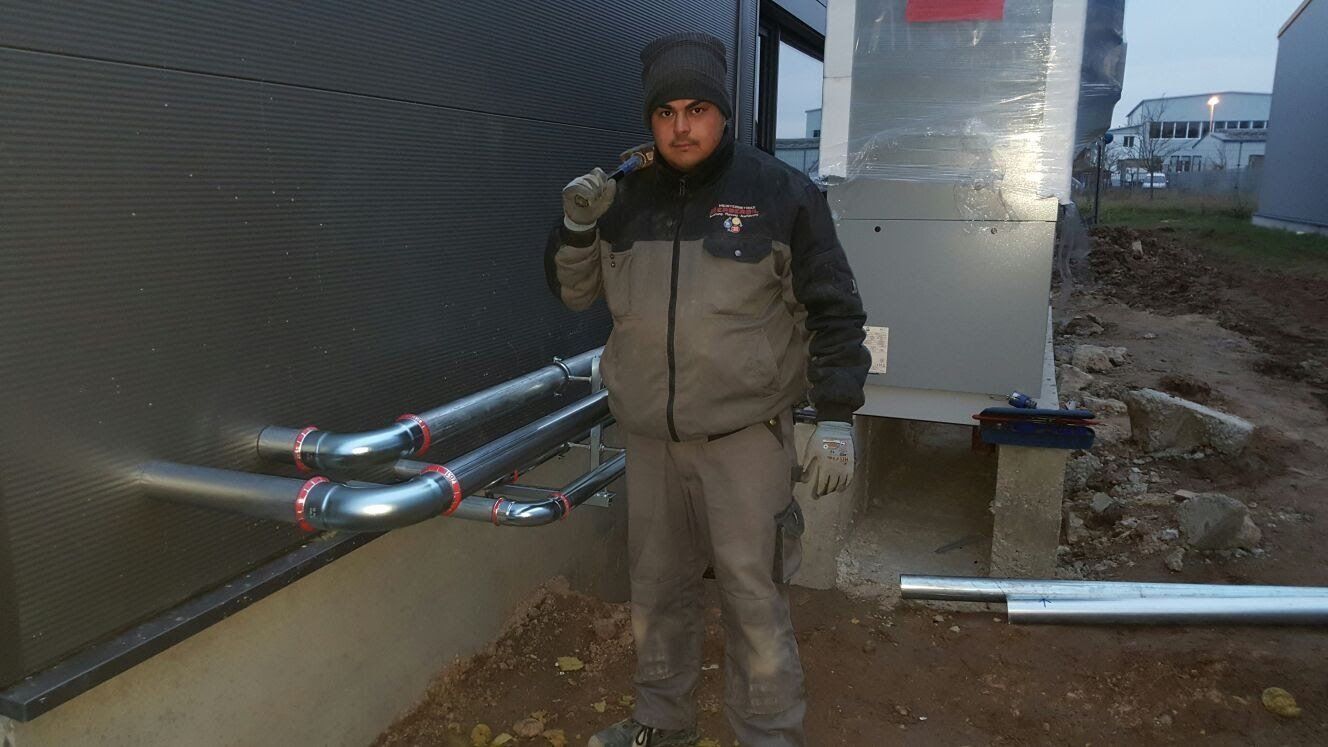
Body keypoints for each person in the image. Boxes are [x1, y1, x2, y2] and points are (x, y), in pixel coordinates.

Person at [546, 31, 869, 747]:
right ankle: (664, 724)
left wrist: (836, 416)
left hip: (743, 441)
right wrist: (576, 226)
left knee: (753, 596)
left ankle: (768, 735)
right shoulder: (622, 197)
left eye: (697, 110)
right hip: (650, 441)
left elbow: (834, 309)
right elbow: (574, 294)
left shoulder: (778, 193)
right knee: (657, 590)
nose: (681, 127)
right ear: (651, 120)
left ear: (723, 113)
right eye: (665, 113)